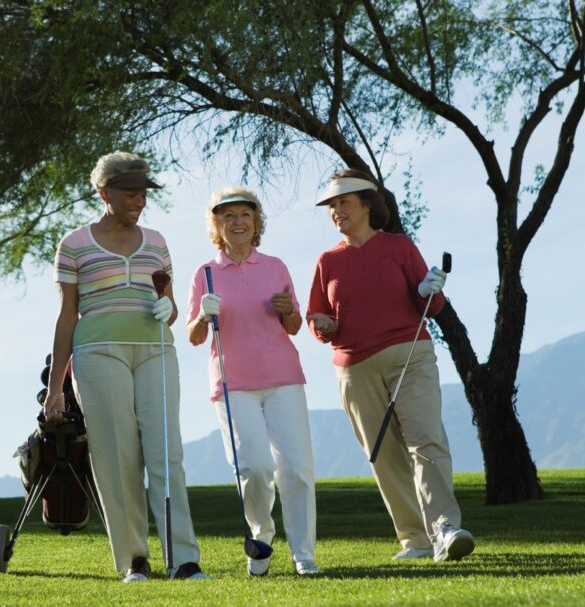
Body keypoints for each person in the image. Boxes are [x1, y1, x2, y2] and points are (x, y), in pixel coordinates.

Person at [42, 151, 209, 582]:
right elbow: (66, 316)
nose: (139, 200)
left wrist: (167, 306)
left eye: (143, 194)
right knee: (118, 458)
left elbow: (170, 309)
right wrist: (56, 386)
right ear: (104, 193)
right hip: (98, 353)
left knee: (165, 453)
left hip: (154, 349)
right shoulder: (74, 244)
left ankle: (184, 559)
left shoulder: (156, 242)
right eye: (131, 193)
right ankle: (135, 560)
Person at [306, 169, 475, 562]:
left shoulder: (399, 247)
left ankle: (444, 528)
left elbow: (430, 306)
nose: (336, 211)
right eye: (332, 206)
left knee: (426, 439)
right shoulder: (327, 261)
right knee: (384, 455)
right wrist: (324, 325)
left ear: (367, 203)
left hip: (410, 355)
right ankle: (415, 540)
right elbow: (318, 315)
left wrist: (428, 290)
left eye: (343, 202)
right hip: (354, 368)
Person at [186, 187, 321, 577]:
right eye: (228, 216)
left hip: (283, 378)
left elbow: (294, 325)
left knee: (295, 469)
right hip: (233, 385)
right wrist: (201, 317)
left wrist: (287, 312)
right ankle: (261, 537)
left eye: (245, 214)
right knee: (256, 469)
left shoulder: (275, 266)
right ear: (217, 226)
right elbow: (194, 337)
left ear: (256, 222)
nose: (238, 222)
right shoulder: (205, 274)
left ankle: (303, 554)